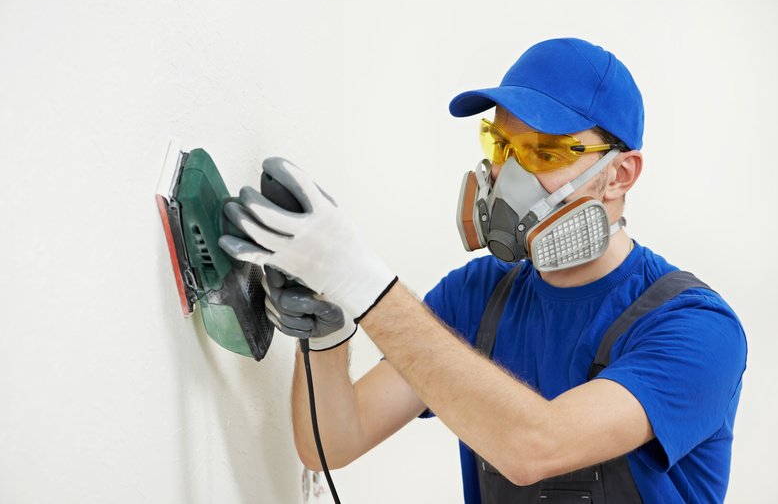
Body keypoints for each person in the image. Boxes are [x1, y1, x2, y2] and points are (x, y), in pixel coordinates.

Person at [219, 38, 747, 503]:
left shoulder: (695, 328)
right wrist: (329, 335)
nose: (507, 176)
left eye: (543, 152)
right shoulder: (475, 297)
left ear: (619, 175)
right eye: (501, 146)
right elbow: (331, 442)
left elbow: (536, 446)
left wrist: (361, 281)